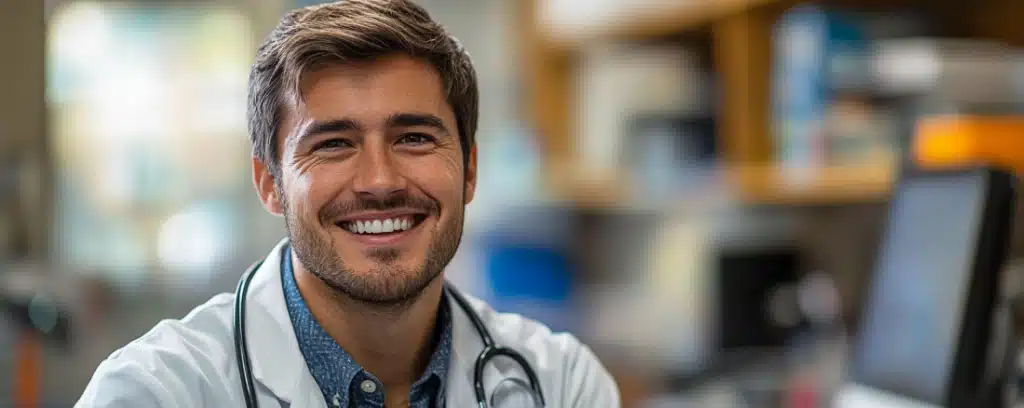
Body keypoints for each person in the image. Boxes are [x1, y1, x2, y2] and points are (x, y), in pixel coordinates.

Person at [74, 1, 621, 407]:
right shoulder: (151, 393)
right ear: (269, 183)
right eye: (333, 144)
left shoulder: (561, 384)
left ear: (470, 170)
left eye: (414, 138)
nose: (380, 181)